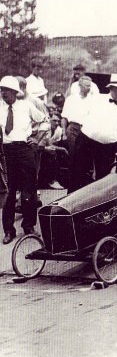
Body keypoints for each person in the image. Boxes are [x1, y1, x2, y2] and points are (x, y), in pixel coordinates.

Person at [0, 76, 46, 244]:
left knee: (29, 189)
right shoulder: (0, 107)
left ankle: (29, 226)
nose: (3, 93)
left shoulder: (26, 106)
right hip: (7, 151)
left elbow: (45, 121)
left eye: (6, 90)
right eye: (1, 90)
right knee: (9, 191)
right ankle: (8, 230)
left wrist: (37, 139)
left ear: (14, 92)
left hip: (25, 150)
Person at [70, 73, 117, 192]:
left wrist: (114, 140)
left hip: (107, 148)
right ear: (111, 88)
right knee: (78, 173)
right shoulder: (96, 99)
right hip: (86, 141)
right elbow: (81, 114)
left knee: (103, 179)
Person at [61, 75, 94, 159]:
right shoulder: (71, 99)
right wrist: (64, 134)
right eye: (86, 86)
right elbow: (64, 117)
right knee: (72, 155)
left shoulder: (92, 100)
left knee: (83, 156)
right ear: (80, 86)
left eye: (90, 85)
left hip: (86, 130)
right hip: (72, 129)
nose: (89, 88)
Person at [38, 113, 67, 190]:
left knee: (53, 153)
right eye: (54, 120)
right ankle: (51, 181)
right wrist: (62, 149)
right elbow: (45, 144)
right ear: (50, 120)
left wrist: (58, 148)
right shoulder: (45, 127)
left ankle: (53, 180)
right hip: (37, 147)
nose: (57, 123)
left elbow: (53, 145)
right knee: (51, 153)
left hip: (46, 148)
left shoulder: (58, 130)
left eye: (58, 121)